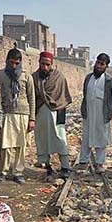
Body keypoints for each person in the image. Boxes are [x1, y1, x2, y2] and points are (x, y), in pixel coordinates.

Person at [0, 49, 36, 184]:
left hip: (23, 114)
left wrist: (32, 118)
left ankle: (18, 172)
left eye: (17, 63)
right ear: (7, 61)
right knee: (5, 145)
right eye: (11, 63)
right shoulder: (0, 75)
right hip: (7, 113)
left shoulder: (26, 76)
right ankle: (3, 171)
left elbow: (32, 98)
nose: (14, 66)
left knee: (20, 145)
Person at [32, 51, 71, 181]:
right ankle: (47, 167)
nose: (45, 67)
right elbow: (32, 98)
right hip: (41, 114)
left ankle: (65, 167)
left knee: (60, 139)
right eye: (43, 64)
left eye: (48, 64)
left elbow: (63, 98)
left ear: (52, 64)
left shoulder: (59, 77)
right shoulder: (34, 78)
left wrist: (61, 116)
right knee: (43, 140)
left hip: (57, 113)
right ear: (39, 63)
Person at [78, 52, 112, 174]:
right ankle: (83, 162)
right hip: (88, 113)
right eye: (97, 63)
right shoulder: (88, 78)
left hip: (102, 115)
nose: (98, 66)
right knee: (86, 136)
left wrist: (110, 109)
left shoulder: (109, 81)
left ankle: (100, 163)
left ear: (106, 66)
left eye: (102, 64)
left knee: (101, 138)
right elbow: (85, 95)